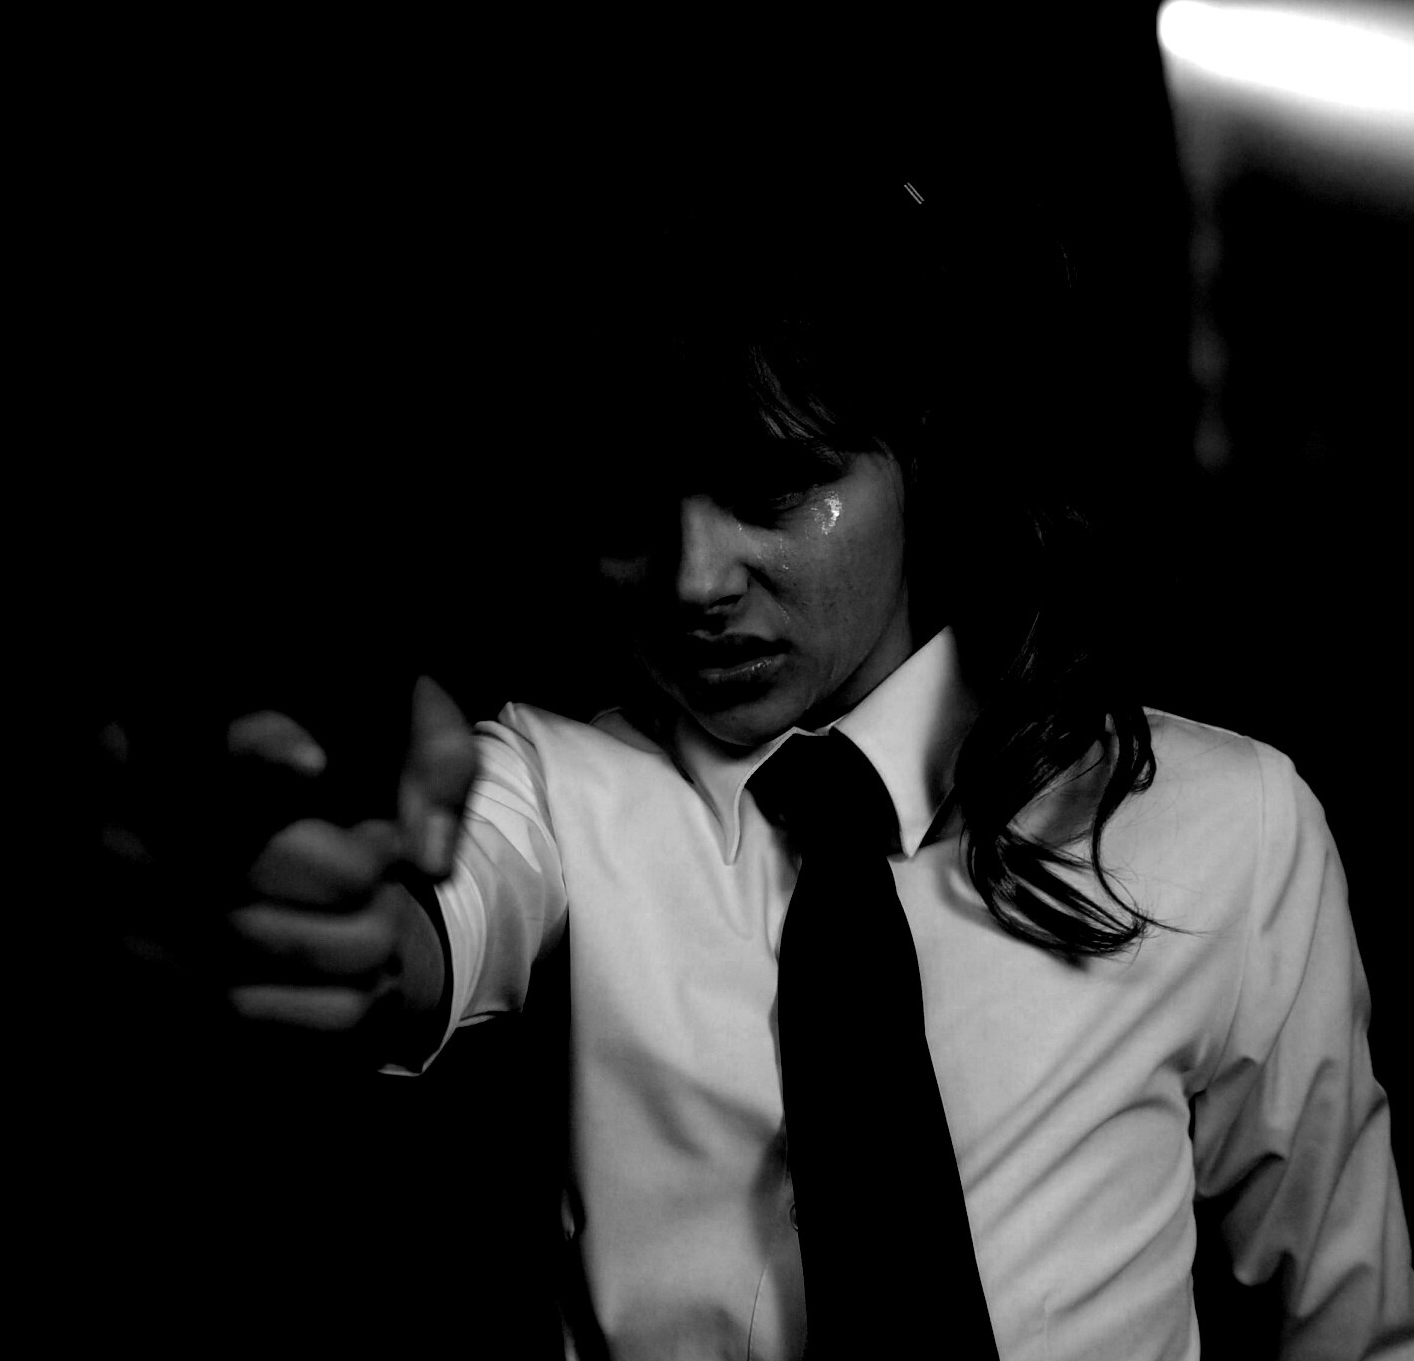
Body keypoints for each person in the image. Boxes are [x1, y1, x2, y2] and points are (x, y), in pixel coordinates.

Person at [90, 169, 1411, 1359]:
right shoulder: (559, 788)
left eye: (773, 491)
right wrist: (317, 897)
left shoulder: (1226, 827)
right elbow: (420, 921)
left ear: (922, 464)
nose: (692, 581)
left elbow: (1355, 1322)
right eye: (635, 510)